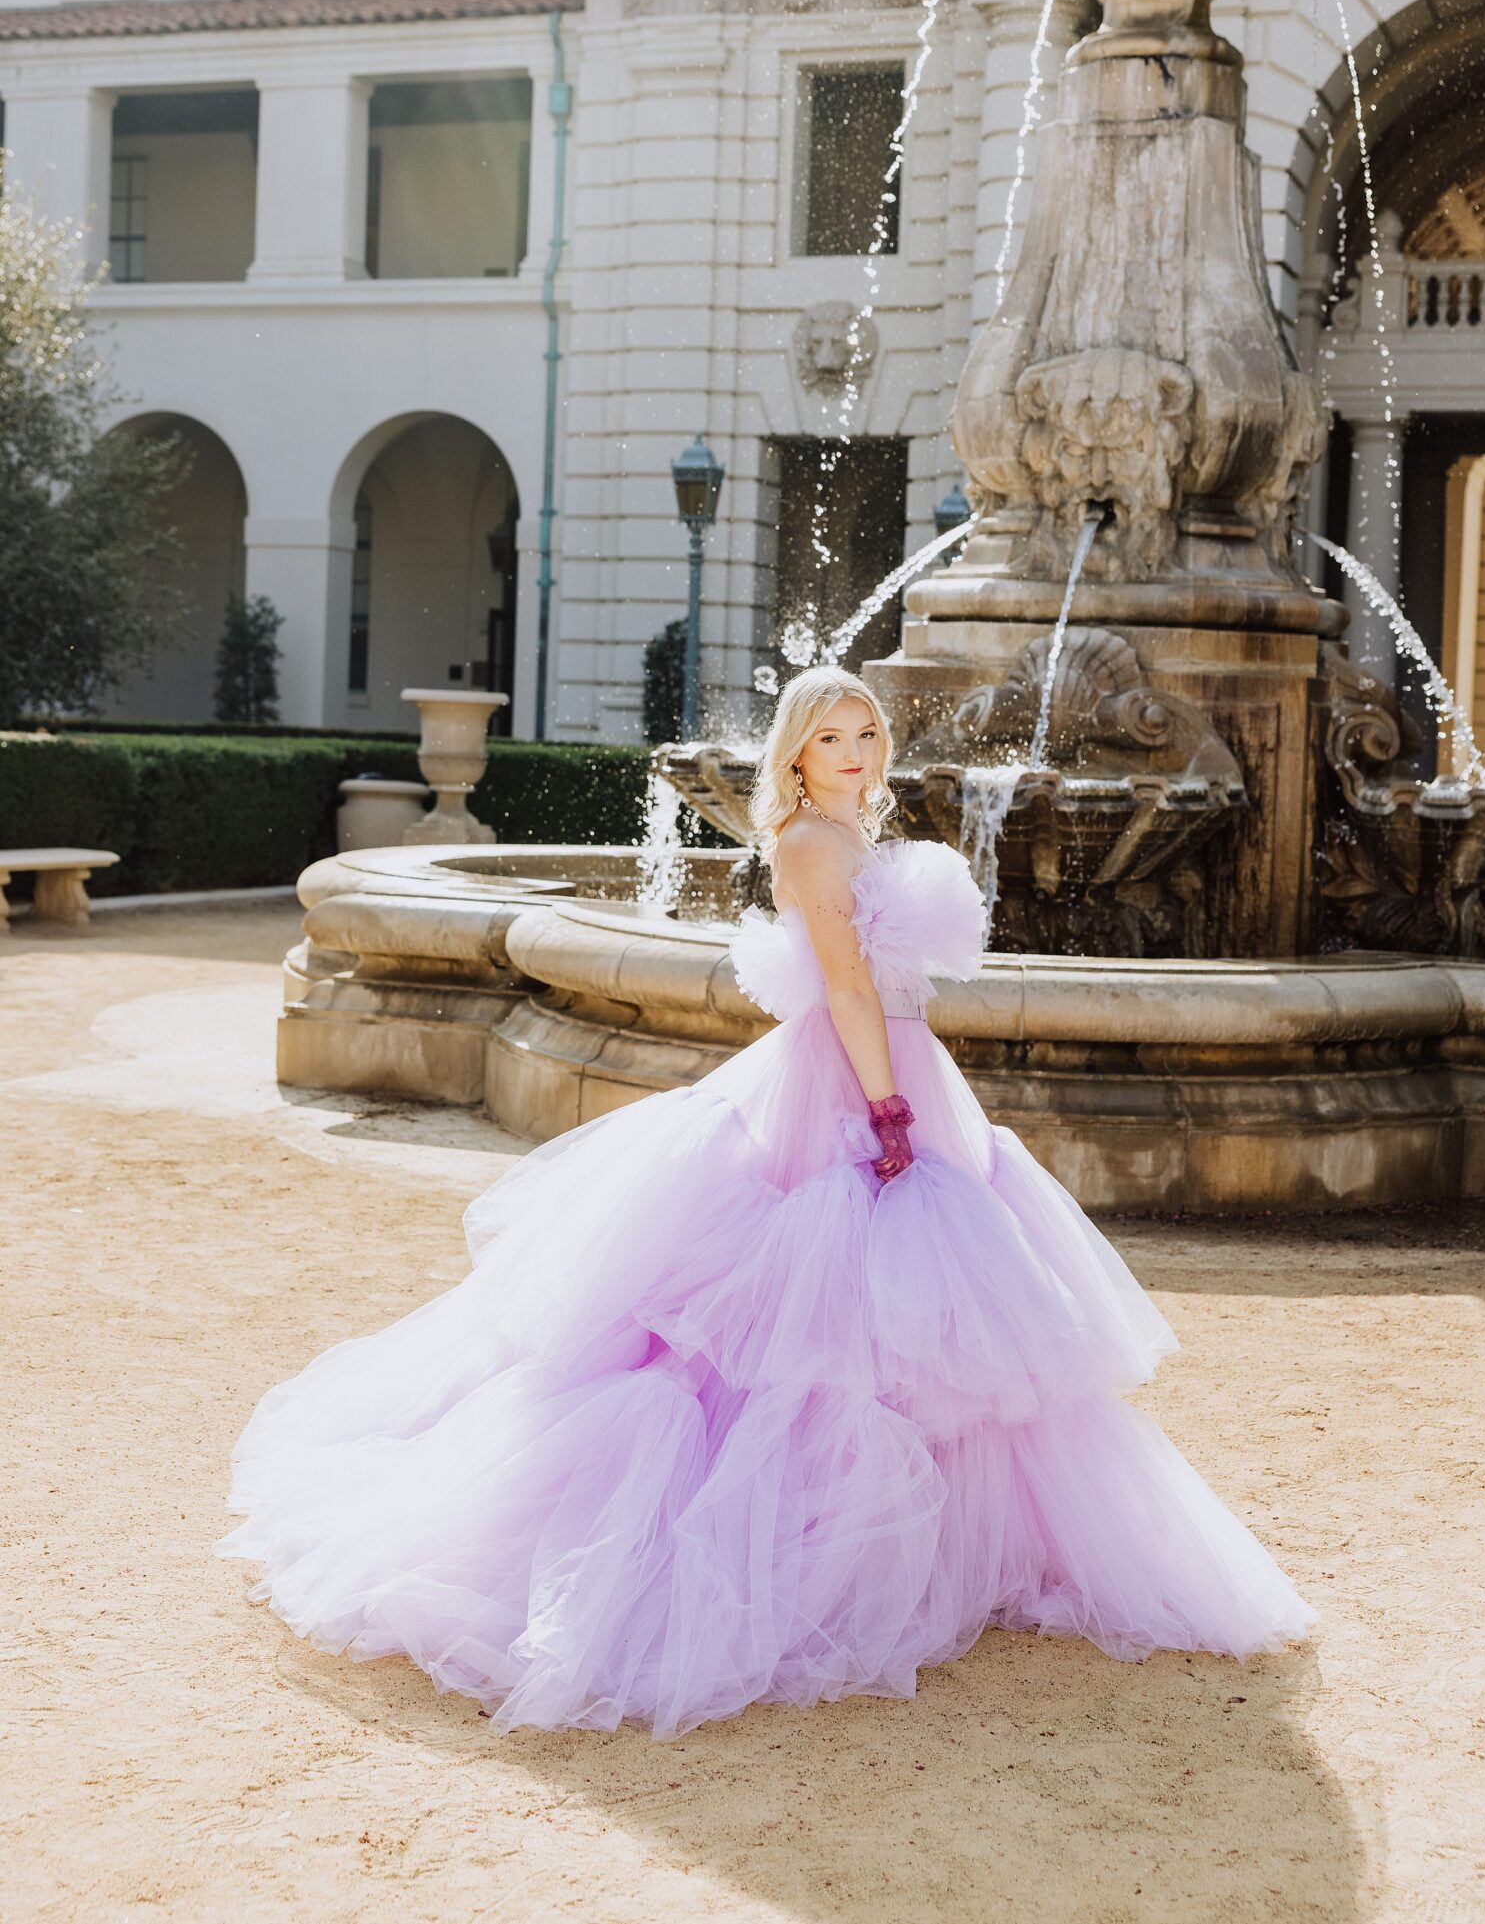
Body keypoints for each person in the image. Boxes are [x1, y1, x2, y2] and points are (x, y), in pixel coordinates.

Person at [218, 666, 1317, 1738]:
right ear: (797, 751)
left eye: (867, 733)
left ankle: (950, 1545)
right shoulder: (806, 843)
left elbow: (881, 980)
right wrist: (885, 1111)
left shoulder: (860, 834)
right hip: (845, 1079)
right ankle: (813, 1549)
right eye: (833, 736)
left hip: (901, 1061)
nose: (856, 751)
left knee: (930, 1316)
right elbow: (843, 984)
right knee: (802, 1312)